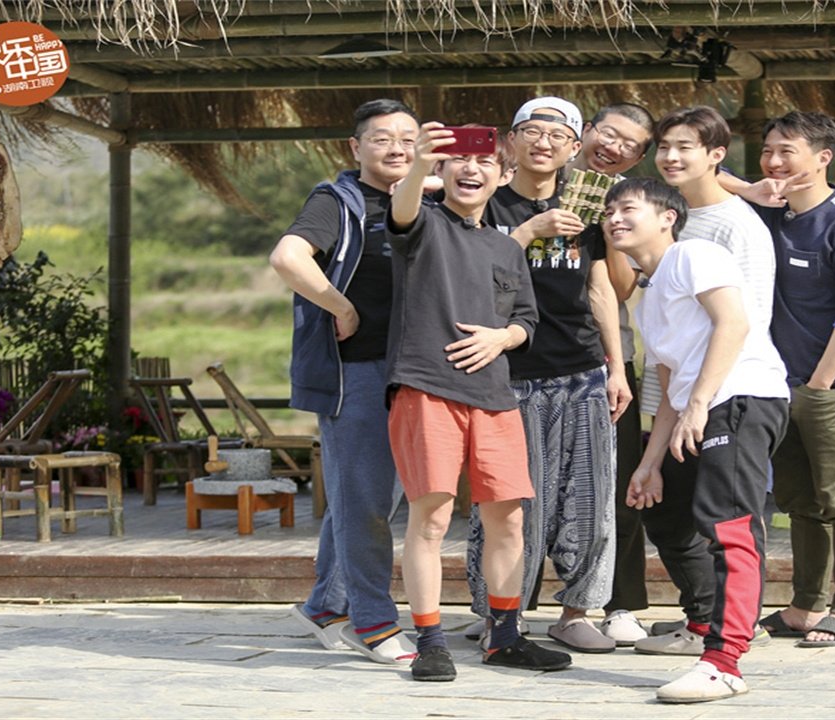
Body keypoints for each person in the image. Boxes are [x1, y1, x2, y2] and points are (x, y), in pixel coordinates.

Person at [386, 121, 571, 681]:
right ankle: (429, 641)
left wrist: (501, 338)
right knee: (432, 518)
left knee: (509, 521)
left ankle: (505, 636)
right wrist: (419, 163)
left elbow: (526, 320)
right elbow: (402, 208)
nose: (471, 169)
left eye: (485, 161)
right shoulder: (422, 225)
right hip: (427, 387)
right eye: (459, 161)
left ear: (504, 174)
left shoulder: (506, 246)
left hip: (494, 395)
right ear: (441, 171)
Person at [602, 177, 789, 703]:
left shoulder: (694, 255)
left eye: (628, 208)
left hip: (741, 398)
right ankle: (704, 621)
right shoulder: (649, 294)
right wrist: (649, 463)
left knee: (728, 524)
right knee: (663, 509)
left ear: (668, 217)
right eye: (608, 211)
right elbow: (668, 385)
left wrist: (702, 404)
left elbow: (734, 324)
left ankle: (724, 662)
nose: (615, 218)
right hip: (697, 408)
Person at [464, 97, 630, 654]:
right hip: (507, 373)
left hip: (581, 369)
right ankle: (498, 613)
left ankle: (578, 611)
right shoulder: (485, 201)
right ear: (510, 141)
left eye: (558, 135)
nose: (544, 142)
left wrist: (616, 367)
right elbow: (469, 274)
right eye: (531, 131)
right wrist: (528, 230)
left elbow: (600, 289)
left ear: (575, 147)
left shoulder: (586, 201)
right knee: (505, 503)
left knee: (590, 497)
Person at [270, 99, 419, 665]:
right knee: (366, 501)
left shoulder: (428, 201)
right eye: (382, 138)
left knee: (366, 496)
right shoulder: (338, 201)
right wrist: (341, 306)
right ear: (356, 148)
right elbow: (288, 257)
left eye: (407, 139)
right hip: (357, 370)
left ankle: (324, 606)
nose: (397, 148)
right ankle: (373, 621)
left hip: (414, 369)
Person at [749, 111, 835, 648]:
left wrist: (820, 384)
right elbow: (711, 182)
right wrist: (753, 189)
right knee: (799, 501)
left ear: (823, 158)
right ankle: (805, 605)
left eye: (787, 151)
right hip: (780, 383)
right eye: (768, 150)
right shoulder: (770, 214)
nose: (773, 161)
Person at [570, 103, 658, 646]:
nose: (614, 148)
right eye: (609, 134)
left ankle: (622, 603)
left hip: (608, 357)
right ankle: (509, 606)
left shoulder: (626, 202)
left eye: (630, 146)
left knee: (618, 481)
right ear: (586, 131)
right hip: (528, 352)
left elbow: (622, 288)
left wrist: (610, 225)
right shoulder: (530, 181)